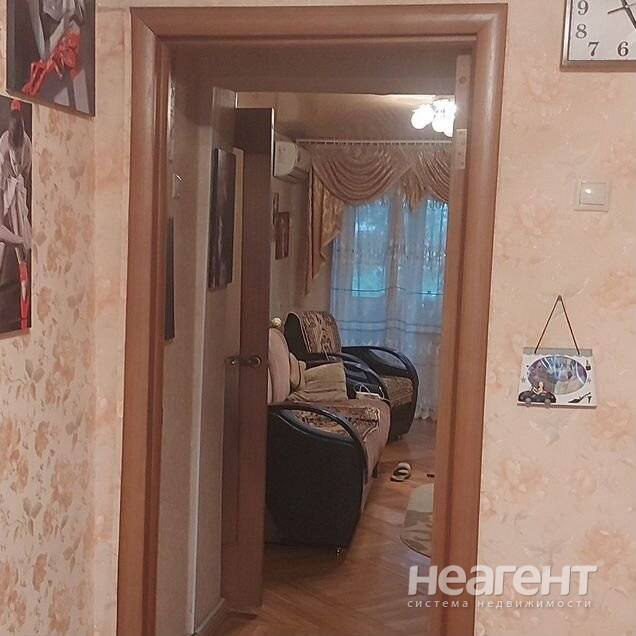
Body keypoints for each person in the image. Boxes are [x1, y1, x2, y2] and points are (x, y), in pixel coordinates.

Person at [0, 100, 32, 330]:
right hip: (5, 193)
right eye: (14, 161)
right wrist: (16, 239)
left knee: (24, 257)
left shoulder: (26, 145)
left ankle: (24, 316)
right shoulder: (2, 152)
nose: (17, 164)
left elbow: (25, 176)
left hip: (17, 193)